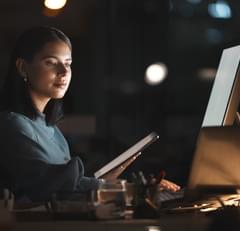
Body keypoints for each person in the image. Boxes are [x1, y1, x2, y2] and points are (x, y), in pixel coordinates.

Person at [0, 26, 179, 203]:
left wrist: (134, 188)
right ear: (23, 68)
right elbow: (57, 190)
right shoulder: (13, 125)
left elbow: (73, 186)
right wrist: (136, 191)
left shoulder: (52, 130)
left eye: (68, 63)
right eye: (51, 62)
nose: (64, 72)